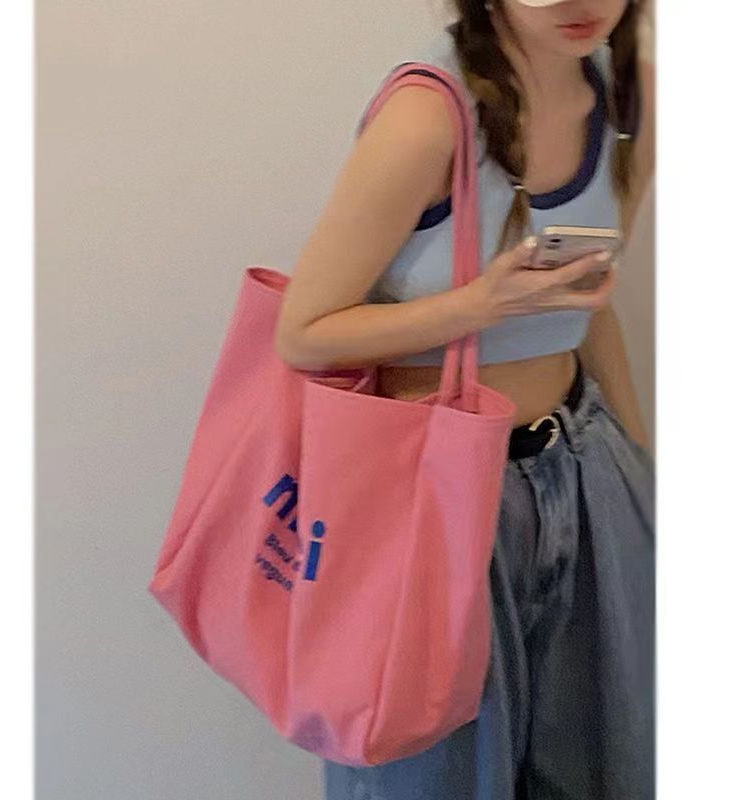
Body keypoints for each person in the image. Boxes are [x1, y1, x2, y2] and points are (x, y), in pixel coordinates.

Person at [275, 1, 655, 797]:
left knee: (606, 765)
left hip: (584, 469)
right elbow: (305, 333)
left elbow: (590, 306)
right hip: (434, 495)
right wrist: (480, 305)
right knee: (431, 773)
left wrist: (641, 470)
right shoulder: (428, 118)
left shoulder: (634, 98)